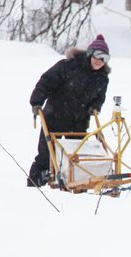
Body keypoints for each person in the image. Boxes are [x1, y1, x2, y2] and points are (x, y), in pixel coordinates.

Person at [26, 34, 111, 187]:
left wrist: (95, 107)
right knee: (46, 156)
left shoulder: (102, 78)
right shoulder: (68, 66)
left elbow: (100, 97)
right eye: (98, 55)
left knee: (77, 157)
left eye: (105, 58)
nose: (100, 61)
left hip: (78, 121)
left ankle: (77, 186)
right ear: (90, 53)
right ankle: (34, 186)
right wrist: (37, 102)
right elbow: (46, 82)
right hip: (55, 116)